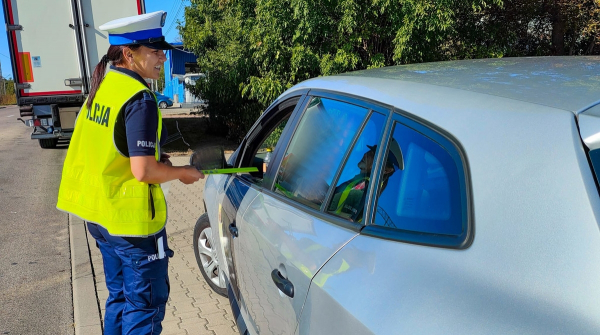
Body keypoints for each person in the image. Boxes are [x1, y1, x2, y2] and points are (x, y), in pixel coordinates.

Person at [56, 11, 204, 335]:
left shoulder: (106, 85)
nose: (163, 58)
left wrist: (152, 154)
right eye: (155, 51)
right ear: (129, 54)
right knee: (144, 306)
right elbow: (143, 171)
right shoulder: (140, 98)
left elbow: (107, 146)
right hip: (131, 226)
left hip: (98, 217)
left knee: (120, 297)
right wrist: (181, 173)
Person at [328, 141, 403, 221]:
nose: (366, 154)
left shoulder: (365, 185)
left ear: (386, 170)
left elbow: (346, 220)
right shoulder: (364, 183)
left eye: (373, 155)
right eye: (369, 151)